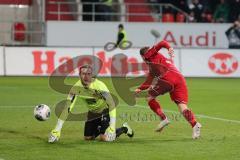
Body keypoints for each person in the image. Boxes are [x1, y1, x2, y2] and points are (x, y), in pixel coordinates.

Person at [48, 65, 134, 143]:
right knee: (88, 138)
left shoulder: (100, 86)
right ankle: (101, 128)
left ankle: (124, 128)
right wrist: (57, 129)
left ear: (92, 75)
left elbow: (111, 104)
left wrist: (112, 126)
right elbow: (67, 108)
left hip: (105, 110)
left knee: (104, 138)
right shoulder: (75, 89)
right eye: (83, 74)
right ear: (79, 75)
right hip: (92, 112)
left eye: (88, 74)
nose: (86, 77)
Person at [134, 40, 201, 139]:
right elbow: (148, 81)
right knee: (182, 106)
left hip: (168, 78)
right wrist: (140, 88)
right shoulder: (154, 66)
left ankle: (163, 119)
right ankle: (195, 125)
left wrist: (169, 48)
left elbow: (162, 43)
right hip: (179, 79)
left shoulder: (148, 54)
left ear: (142, 57)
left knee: (149, 98)